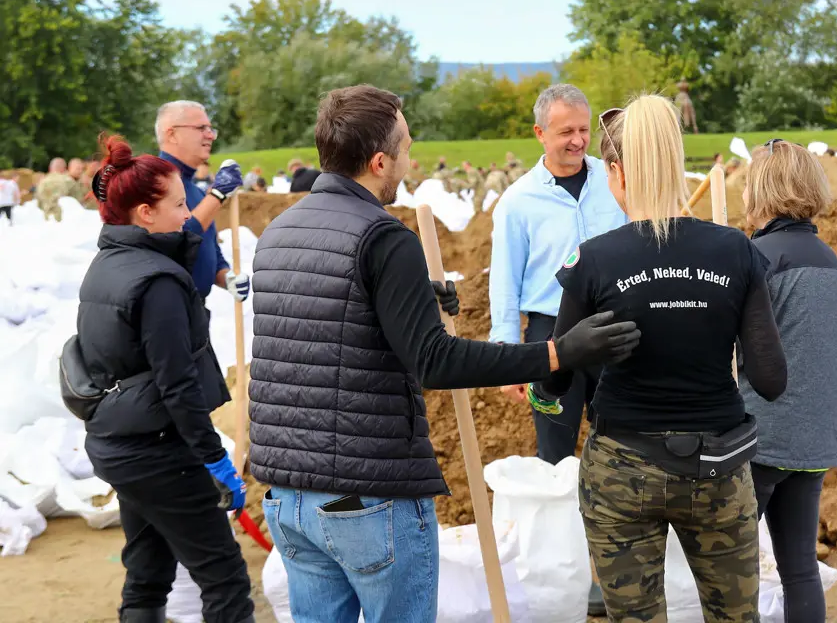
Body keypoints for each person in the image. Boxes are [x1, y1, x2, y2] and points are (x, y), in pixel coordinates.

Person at [248, 84, 640, 623]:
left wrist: (412, 301)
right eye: (406, 149)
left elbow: (325, 323)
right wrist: (553, 354)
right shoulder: (384, 238)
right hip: (368, 494)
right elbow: (434, 362)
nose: (411, 162)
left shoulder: (277, 233)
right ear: (379, 160)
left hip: (288, 492)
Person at [530, 94, 786, 621]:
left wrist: (543, 392)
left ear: (616, 171)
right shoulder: (735, 250)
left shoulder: (594, 259)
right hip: (718, 469)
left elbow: (557, 379)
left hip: (622, 471)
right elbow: (771, 378)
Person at [75, 134, 253, 623]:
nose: (186, 213)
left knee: (149, 569)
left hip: (119, 443)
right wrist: (214, 458)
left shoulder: (108, 264)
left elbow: (181, 241)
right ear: (145, 214)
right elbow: (178, 385)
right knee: (225, 578)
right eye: (178, 204)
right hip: (157, 451)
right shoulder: (158, 284)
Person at [741, 139, 837, 622]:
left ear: (759, 191)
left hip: (762, 436)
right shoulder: (830, 261)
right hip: (817, 433)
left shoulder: (756, 257)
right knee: (800, 568)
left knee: (732, 565)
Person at [489, 84, 628, 459]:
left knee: (625, 447)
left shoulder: (616, 181)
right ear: (540, 134)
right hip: (549, 336)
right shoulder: (517, 202)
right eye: (566, 132)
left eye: (584, 130)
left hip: (615, 328)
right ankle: (559, 517)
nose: (578, 141)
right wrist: (507, 356)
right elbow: (504, 281)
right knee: (555, 453)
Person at [154, 101, 248, 303]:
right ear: (172, 134)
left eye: (210, 128)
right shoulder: (151, 184)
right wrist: (217, 195)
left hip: (196, 313)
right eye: (201, 128)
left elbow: (208, 250)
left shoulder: (196, 191)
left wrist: (226, 277)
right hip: (166, 311)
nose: (210, 135)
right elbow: (173, 242)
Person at [36, 156, 85, 221]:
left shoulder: (42, 182)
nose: (80, 171)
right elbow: (79, 202)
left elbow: (38, 203)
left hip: (45, 220)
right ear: (65, 168)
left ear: (49, 168)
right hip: (64, 221)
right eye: (78, 169)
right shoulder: (69, 181)